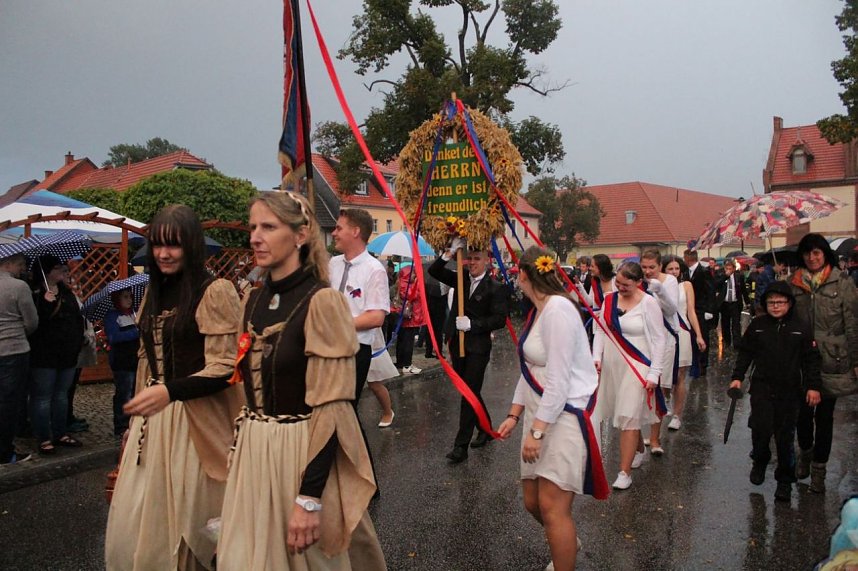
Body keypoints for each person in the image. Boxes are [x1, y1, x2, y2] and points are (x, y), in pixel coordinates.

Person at [217, 191, 385, 571]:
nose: (256, 237)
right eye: (253, 227)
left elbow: (334, 411)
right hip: (254, 452)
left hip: (300, 452)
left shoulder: (322, 302)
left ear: (300, 234)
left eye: (269, 227)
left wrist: (309, 498)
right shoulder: (252, 301)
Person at [105, 204, 244, 570]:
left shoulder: (214, 291)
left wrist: (170, 391)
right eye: (158, 245)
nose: (164, 254)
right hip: (153, 423)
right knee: (145, 518)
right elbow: (145, 360)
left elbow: (226, 366)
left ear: (192, 247)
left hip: (198, 421)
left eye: (174, 245)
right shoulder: (153, 292)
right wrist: (134, 420)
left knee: (195, 520)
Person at [497, 246, 602, 571]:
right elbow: (530, 369)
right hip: (539, 413)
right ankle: (565, 541)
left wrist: (538, 431)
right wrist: (515, 414)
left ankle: (563, 551)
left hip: (565, 416)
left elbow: (557, 379)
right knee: (532, 502)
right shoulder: (539, 309)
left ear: (523, 275)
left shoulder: (558, 310)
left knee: (553, 507)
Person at [729, 281, 822, 502]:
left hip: (790, 390)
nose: (776, 306)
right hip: (762, 387)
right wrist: (737, 377)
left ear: (789, 303)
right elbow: (745, 353)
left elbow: (811, 360)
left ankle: (785, 481)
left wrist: (813, 386)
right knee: (760, 429)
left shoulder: (801, 327)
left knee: (785, 437)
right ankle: (760, 460)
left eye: (780, 302)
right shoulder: (758, 325)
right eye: (771, 302)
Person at [429, 238, 510, 464]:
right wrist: (449, 253)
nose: (472, 263)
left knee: (468, 393)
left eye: (476, 259)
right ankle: (485, 428)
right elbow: (435, 271)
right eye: (469, 259)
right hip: (458, 343)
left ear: (487, 261)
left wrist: (473, 325)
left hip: (477, 347)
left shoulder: (496, 287)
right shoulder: (461, 279)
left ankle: (460, 446)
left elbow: (499, 319)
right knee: (469, 390)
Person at [789, 233, 858, 494]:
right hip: (802, 359)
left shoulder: (842, 282)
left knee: (825, 417)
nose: (812, 257)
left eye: (817, 252)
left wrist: (856, 359)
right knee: (803, 415)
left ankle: (819, 470)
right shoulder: (793, 283)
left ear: (825, 254)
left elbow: (852, 323)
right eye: (807, 253)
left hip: (832, 359)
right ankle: (806, 452)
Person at [592, 262, 667, 490]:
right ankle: (638, 448)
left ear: (638, 282)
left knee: (628, 416)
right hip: (613, 365)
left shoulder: (649, 303)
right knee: (621, 414)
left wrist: (655, 372)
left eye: (626, 284)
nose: (621, 288)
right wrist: (596, 357)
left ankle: (624, 473)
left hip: (637, 364)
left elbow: (659, 339)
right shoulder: (609, 300)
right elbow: (601, 330)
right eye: (618, 283)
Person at [28, 255, 85, 454]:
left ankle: (60, 432)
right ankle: (44, 437)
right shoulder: (35, 293)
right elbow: (33, 324)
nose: (62, 270)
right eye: (57, 267)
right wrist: (45, 304)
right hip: (44, 355)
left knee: (61, 395)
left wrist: (77, 343)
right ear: (47, 271)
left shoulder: (67, 293)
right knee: (42, 397)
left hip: (66, 354)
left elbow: (77, 319)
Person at [639, 250, 679, 455]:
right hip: (642, 340)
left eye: (651, 267)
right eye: (644, 267)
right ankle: (637, 439)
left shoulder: (669, 281)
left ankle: (655, 438)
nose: (647, 271)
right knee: (639, 389)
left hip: (665, 338)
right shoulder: (637, 281)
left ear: (660, 266)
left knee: (660, 389)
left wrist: (660, 291)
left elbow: (671, 310)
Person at [0, 253, 38, 464]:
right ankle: (5, 451)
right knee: (9, 403)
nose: (22, 269)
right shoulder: (19, 287)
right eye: (20, 264)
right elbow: (31, 321)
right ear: (8, 263)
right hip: (13, 349)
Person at [662, 256, 707, 431]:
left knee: (680, 375)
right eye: (670, 269)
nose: (674, 272)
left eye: (676, 268)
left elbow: (691, 311)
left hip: (682, 332)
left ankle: (677, 415)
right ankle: (665, 399)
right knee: (664, 374)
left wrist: (699, 335)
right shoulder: (658, 286)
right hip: (664, 333)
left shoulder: (686, 285)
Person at [103, 288, 140, 436]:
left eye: (130, 297)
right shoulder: (113, 316)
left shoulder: (134, 313)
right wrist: (135, 332)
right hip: (122, 361)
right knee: (124, 393)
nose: (129, 300)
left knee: (135, 391)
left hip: (136, 358)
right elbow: (114, 337)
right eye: (125, 297)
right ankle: (121, 425)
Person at [683, 249, 715, 376]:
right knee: (691, 336)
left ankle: (703, 364)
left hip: (701, 309)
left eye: (684, 257)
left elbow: (710, 291)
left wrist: (709, 310)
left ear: (688, 258)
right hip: (689, 309)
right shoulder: (686, 272)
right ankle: (694, 362)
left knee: (702, 336)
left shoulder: (704, 271)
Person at [394, 263, 426, 374]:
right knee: (408, 342)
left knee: (402, 340)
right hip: (409, 318)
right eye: (413, 273)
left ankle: (401, 362)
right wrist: (418, 285)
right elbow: (412, 295)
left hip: (406, 317)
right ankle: (407, 365)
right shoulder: (405, 284)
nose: (415, 275)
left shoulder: (403, 283)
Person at [715, 259, 749, 349]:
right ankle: (727, 341)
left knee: (736, 324)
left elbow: (743, 290)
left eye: (730, 268)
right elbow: (716, 285)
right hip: (724, 303)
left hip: (735, 303)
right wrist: (725, 276)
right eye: (727, 268)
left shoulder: (739, 276)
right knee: (725, 323)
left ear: (734, 269)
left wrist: (747, 302)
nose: (728, 270)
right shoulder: (721, 275)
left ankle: (737, 343)